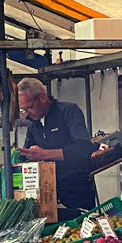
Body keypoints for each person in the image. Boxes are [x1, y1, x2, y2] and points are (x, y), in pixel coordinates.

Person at [14, 77, 97, 215]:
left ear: (42, 97)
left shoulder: (68, 111)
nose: (27, 113)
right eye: (23, 110)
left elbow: (84, 149)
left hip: (76, 191)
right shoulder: (33, 123)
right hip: (47, 194)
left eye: (29, 107)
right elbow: (26, 154)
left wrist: (45, 154)